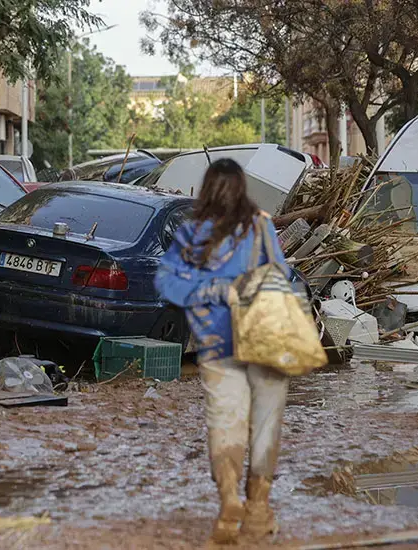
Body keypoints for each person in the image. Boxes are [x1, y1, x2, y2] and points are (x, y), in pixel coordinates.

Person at [155, 158, 295, 544]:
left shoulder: (192, 233)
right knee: (265, 426)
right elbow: (282, 276)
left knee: (225, 423)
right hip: (263, 343)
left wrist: (208, 292)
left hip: (217, 347)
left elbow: (166, 284)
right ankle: (258, 510)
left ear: (207, 189)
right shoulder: (262, 225)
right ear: (243, 187)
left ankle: (229, 499)